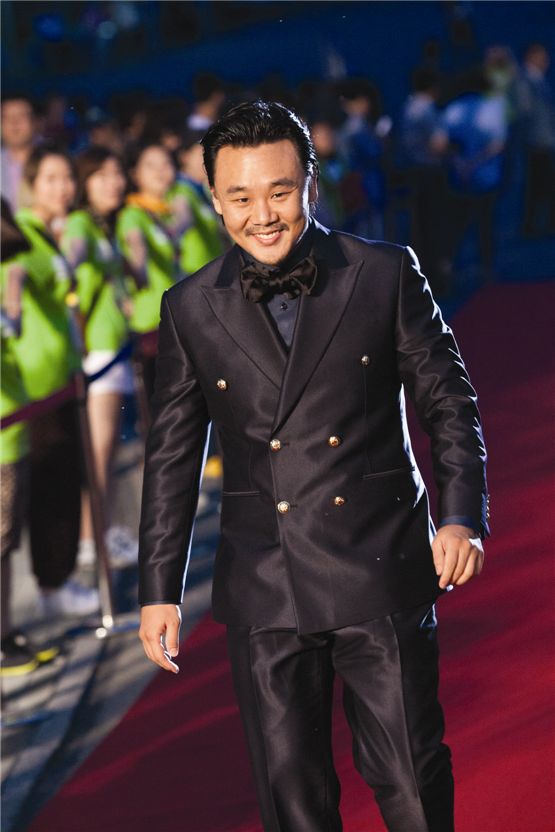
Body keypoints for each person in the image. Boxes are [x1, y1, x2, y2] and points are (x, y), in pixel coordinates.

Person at [138, 101, 489, 832]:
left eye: (278, 191)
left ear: (310, 186)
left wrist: (459, 517)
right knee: (291, 799)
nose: (261, 215)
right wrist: (158, 588)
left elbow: (449, 403)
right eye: (239, 196)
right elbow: (171, 454)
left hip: (379, 565)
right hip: (264, 584)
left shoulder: (382, 273)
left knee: (410, 778)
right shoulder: (189, 307)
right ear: (213, 200)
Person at [13, 145, 99, 617]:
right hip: (37, 386)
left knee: (65, 480)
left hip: (60, 377)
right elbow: (20, 280)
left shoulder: (48, 232)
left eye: (67, 177)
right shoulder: (23, 235)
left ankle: (57, 580)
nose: (63, 188)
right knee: (52, 488)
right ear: (30, 185)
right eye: (50, 179)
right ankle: (52, 585)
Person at [62, 146, 137, 568]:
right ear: (85, 182)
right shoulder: (79, 224)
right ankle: (93, 543)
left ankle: (101, 534)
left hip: (113, 347)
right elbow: (69, 263)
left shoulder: (101, 224)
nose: (114, 182)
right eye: (102, 175)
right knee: (101, 452)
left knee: (107, 454)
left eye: (116, 173)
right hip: (99, 353)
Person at [116, 142, 185, 401]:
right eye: (150, 165)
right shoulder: (133, 214)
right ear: (134, 174)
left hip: (173, 322)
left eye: (165, 163)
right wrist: (138, 268)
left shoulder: (165, 213)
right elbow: (135, 245)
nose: (160, 171)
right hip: (150, 326)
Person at [0, 94, 38, 212]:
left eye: (21, 116)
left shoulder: (51, 161)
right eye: (6, 117)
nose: (14, 123)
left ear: (35, 122)